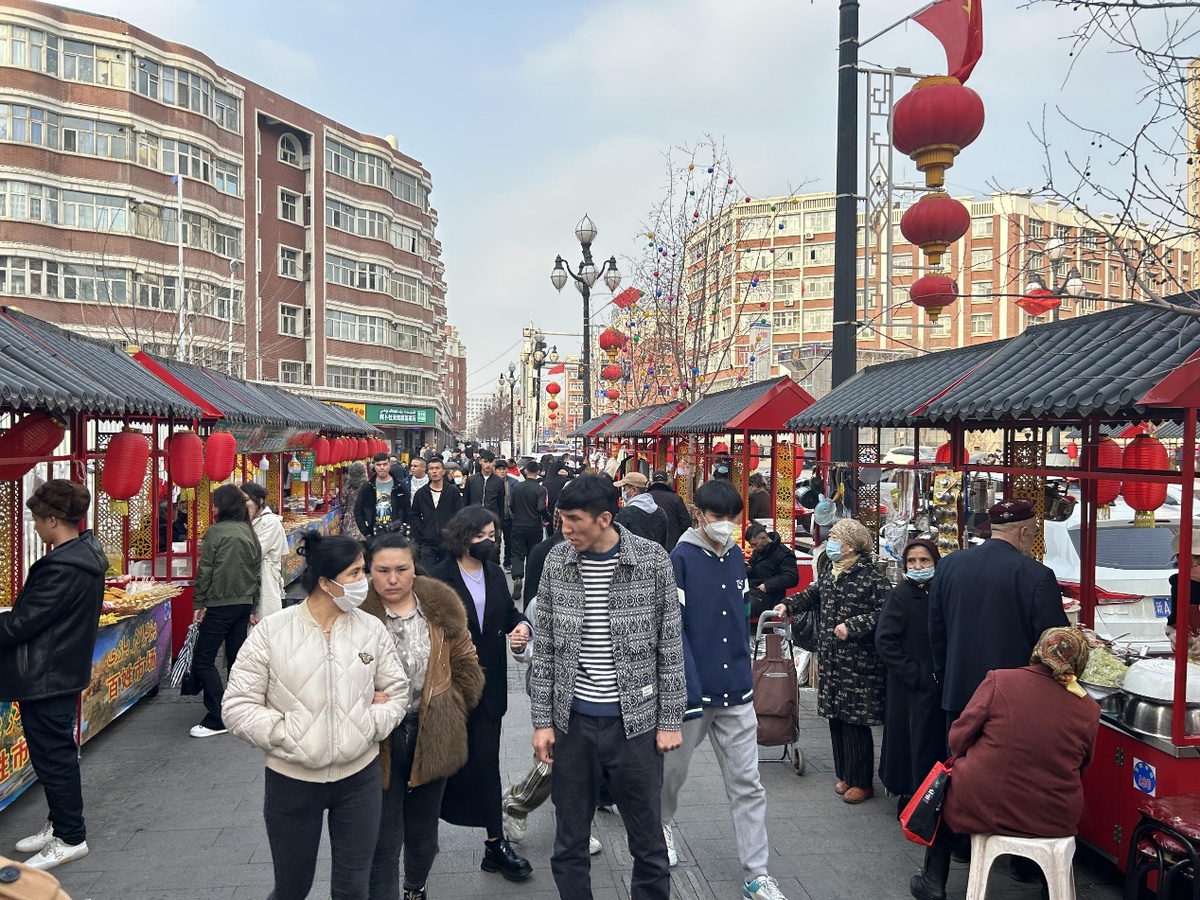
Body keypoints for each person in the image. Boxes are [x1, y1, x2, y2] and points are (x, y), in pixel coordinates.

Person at [223, 532, 409, 900]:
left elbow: (397, 691)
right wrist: (283, 733)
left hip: (360, 778)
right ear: (326, 583)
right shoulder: (273, 633)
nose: (365, 580)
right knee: (292, 887)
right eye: (356, 573)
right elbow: (237, 705)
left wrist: (369, 724)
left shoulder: (370, 628)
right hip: (291, 781)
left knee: (353, 888)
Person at [531, 474, 684, 900]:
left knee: (648, 841)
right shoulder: (556, 561)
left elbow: (669, 645)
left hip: (635, 725)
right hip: (573, 723)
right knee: (569, 840)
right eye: (562, 518)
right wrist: (542, 722)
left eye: (574, 520)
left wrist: (669, 720)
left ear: (604, 518)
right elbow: (545, 648)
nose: (565, 528)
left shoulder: (651, 561)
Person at [664, 480, 789, 900]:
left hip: (736, 689)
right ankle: (661, 824)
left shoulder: (738, 554)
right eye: (718, 517)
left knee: (748, 783)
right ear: (698, 513)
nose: (726, 526)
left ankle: (757, 872)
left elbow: (737, 611)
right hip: (691, 694)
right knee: (671, 774)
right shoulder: (678, 558)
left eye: (733, 518)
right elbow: (673, 627)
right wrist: (684, 686)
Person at [908, 627, 1100, 900]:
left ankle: (932, 882)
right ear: (1079, 662)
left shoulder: (1001, 680)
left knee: (947, 789)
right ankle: (1046, 884)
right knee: (1048, 821)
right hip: (1053, 815)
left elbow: (958, 737)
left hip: (983, 804)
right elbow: (1082, 766)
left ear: (1039, 651)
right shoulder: (1089, 708)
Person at [362, 533, 484, 900]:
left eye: (402, 569)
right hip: (377, 737)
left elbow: (465, 655)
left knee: (422, 829)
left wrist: (456, 702)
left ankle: (415, 887)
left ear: (415, 567)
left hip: (433, 731)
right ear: (370, 571)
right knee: (382, 834)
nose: (393, 579)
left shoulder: (438, 604)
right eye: (382, 570)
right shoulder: (356, 611)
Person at [0, 480, 106, 870]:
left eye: (36, 520)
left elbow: (22, 625)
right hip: (60, 669)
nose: (35, 528)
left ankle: (70, 837)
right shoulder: (84, 554)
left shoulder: (62, 567)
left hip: (46, 675)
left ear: (52, 519)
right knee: (53, 754)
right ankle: (59, 823)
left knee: (54, 757)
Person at [431, 507, 533, 882]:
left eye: (492, 535)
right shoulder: (438, 577)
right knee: (439, 767)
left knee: (487, 764)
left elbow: (509, 615)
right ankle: (420, 839)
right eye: (481, 536)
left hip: (489, 691)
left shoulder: (493, 572)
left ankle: (495, 844)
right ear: (462, 537)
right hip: (451, 690)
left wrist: (522, 626)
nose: (489, 542)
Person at [929, 498, 1067, 733]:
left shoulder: (950, 565)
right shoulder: (1036, 575)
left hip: (958, 690)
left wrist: (945, 675)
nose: (1033, 539)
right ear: (1024, 532)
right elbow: (1054, 643)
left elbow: (936, 629)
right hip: (1012, 699)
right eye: (1034, 533)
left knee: (960, 763)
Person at [776, 517, 889, 804]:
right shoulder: (830, 570)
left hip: (859, 663)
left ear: (851, 546)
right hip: (831, 658)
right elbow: (814, 594)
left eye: (837, 537)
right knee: (836, 719)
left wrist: (854, 625)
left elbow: (885, 613)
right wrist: (788, 604)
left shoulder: (871, 576)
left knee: (855, 722)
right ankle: (845, 774)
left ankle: (862, 781)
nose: (832, 542)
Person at [875, 539, 944, 814]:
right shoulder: (901, 595)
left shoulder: (939, 592)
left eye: (924, 561)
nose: (918, 566)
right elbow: (885, 640)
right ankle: (910, 791)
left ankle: (928, 791)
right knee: (911, 738)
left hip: (934, 681)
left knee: (929, 739)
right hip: (911, 684)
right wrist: (914, 674)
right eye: (912, 562)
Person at [190, 483, 262, 739]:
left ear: (222, 505)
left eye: (215, 502)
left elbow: (206, 570)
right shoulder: (248, 531)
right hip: (242, 603)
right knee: (236, 659)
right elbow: (256, 572)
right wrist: (253, 604)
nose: (213, 506)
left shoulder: (217, 532)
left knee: (203, 660)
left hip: (221, 602)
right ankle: (239, 709)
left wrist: (199, 603)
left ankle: (218, 716)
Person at [408, 458, 464, 572]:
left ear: (443, 471)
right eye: (431, 469)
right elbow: (414, 514)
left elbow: (460, 514)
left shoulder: (452, 492)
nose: (434, 471)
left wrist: (452, 531)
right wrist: (423, 530)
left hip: (448, 542)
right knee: (427, 575)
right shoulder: (421, 493)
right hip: (428, 542)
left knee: (448, 575)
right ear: (427, 472)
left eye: (437, 468)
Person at [242, 482, 288, 619]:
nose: (243, 505)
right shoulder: (248, 521)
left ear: (260, 501)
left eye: (247, 500)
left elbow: (255, 552)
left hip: (266, 580)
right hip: (250, 582)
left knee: (265, 622)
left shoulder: (270, 522)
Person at [509, 460, 550, 602]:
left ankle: (517, 577)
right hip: (534, 526)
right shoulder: (540, 489)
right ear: (538, 472)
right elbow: (541, 508)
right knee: (533, 554)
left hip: (518, 525)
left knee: (517, 553)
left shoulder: (517, 487)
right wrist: (547, 518)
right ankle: (532, 586)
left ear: (525, 471)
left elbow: (512, 505)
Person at [745, 523, 800, 622]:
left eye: (754, 544)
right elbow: (756, 571)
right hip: (751, 590)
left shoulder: (783, 554)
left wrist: (768, 585)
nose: (753, 548)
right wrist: (748, 569)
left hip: (769, 596)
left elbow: (792, 577)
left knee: (742, 608)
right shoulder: (758, 551)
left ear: (763, 537)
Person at [355, 452, 410, 539]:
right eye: (378, 465)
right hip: (374, 535)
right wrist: (366, 533)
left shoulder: (400, 486)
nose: (382, 468)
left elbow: (407, 509)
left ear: (389, 464)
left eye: (385, 464)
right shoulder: (367, 486)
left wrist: (404, 529)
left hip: (396, 533)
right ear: (374, 466)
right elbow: (358, 511)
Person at [613, 472, 669, 549]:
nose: (623, 491)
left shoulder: (626, 513)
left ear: (634, 490)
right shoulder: (660, 512)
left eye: (624, 488)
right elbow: (664, 542)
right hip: (656, 559)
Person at [1167, 531, 1200, 656]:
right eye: (1185, 563)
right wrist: (1175, 635)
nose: (1193, 568)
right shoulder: (1179, 584)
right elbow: (1175, 618)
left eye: (1196, 562)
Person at [647, 471, 692, 551]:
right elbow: (686, 523)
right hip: (671, 545)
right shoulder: (675, 499)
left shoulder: (645, 498)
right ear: (667, 482)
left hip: (649, 545)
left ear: (652, 482)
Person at [494, 459, 519, 570]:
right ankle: (495, 563)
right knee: (496, 541)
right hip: (496, 517)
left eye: (504, 469)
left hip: (510, 516)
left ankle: (507, 562)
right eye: (499, 469)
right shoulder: (491, 483)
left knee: (509, 541)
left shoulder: (514, 483)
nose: (502, 472)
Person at [340, 461, 369, 541]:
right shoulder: (368, 486)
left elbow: (343, 504)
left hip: (349, 519)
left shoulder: (348, 487)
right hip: (363, 519)